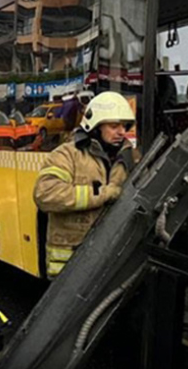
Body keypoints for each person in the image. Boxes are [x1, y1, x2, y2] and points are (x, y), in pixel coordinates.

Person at [34, 92, 136, 278]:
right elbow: (45, 195)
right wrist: (102, 194)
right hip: (70, 271)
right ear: (95, 126)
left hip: (111, 263)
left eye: (124, 126)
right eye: (114, 126)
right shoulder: (66, 155)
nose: (122, 131)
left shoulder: (131, 158)